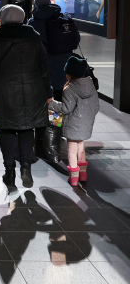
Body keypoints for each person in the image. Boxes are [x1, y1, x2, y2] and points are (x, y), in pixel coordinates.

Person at [0, 5, 51, 189]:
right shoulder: (34, 38)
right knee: (27, 129)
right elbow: (43, 68)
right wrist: (48, 92)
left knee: (7, 131)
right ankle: (26, 168)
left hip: (5, 94)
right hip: (32, 91)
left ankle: (9, 172)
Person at [48, 56, 99, 186]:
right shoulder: (91, 86)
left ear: (70, 74)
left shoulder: (70, 88)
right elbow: (96, 106)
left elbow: (66, 108)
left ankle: (74, 177)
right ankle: (83, 174)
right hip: (86, 123)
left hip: (73, 123)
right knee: (81, 146)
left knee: (72, 148)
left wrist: (51, 104)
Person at [28, 0, 75, 101]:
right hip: (64, 58)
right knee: (61, 89)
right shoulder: (61, 18)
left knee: (46, 89)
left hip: (44, 60)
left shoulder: (34, 22)